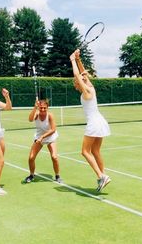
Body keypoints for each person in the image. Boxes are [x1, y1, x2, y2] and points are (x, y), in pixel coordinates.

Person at [70, 49, 111, 192]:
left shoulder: (87, 91)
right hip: (100, 121)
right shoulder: (90, 89)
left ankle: (101, 176)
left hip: (94, 123)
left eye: (80, 79)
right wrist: (78, 59)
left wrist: (73, 60)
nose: (83, 77)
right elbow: (82, 75)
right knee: (96, 151)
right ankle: (103, 176)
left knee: (85, 152)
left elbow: (79, 74)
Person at [24, 99, 62, 184]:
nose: (43, 110)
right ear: (39, 108)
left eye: (45, 108)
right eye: (41, 108)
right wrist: (34, 108)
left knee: (54, 157)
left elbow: (53, 129)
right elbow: (30, 119)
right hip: (39, 137)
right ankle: (31, 175)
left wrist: (42, 137)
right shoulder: (36, 114)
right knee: (31, 158)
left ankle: (57, 176)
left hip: (50, 137)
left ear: (47, 107)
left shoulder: (50, 115)